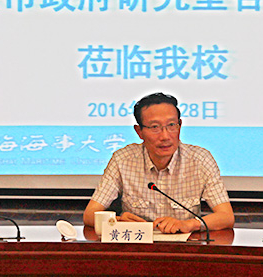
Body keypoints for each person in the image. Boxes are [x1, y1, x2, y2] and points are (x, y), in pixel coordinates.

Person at [83, 92, 234, 234]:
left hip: (185, 246)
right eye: (155, 127)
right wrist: (117, 221)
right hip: (137, 245)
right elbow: (90, 214)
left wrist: (189, 224)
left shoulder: (200, 160)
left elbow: (226, 216)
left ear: (180, 126)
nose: (165, 136)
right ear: (139, 131)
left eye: (171, 125)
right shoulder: (122, 160)